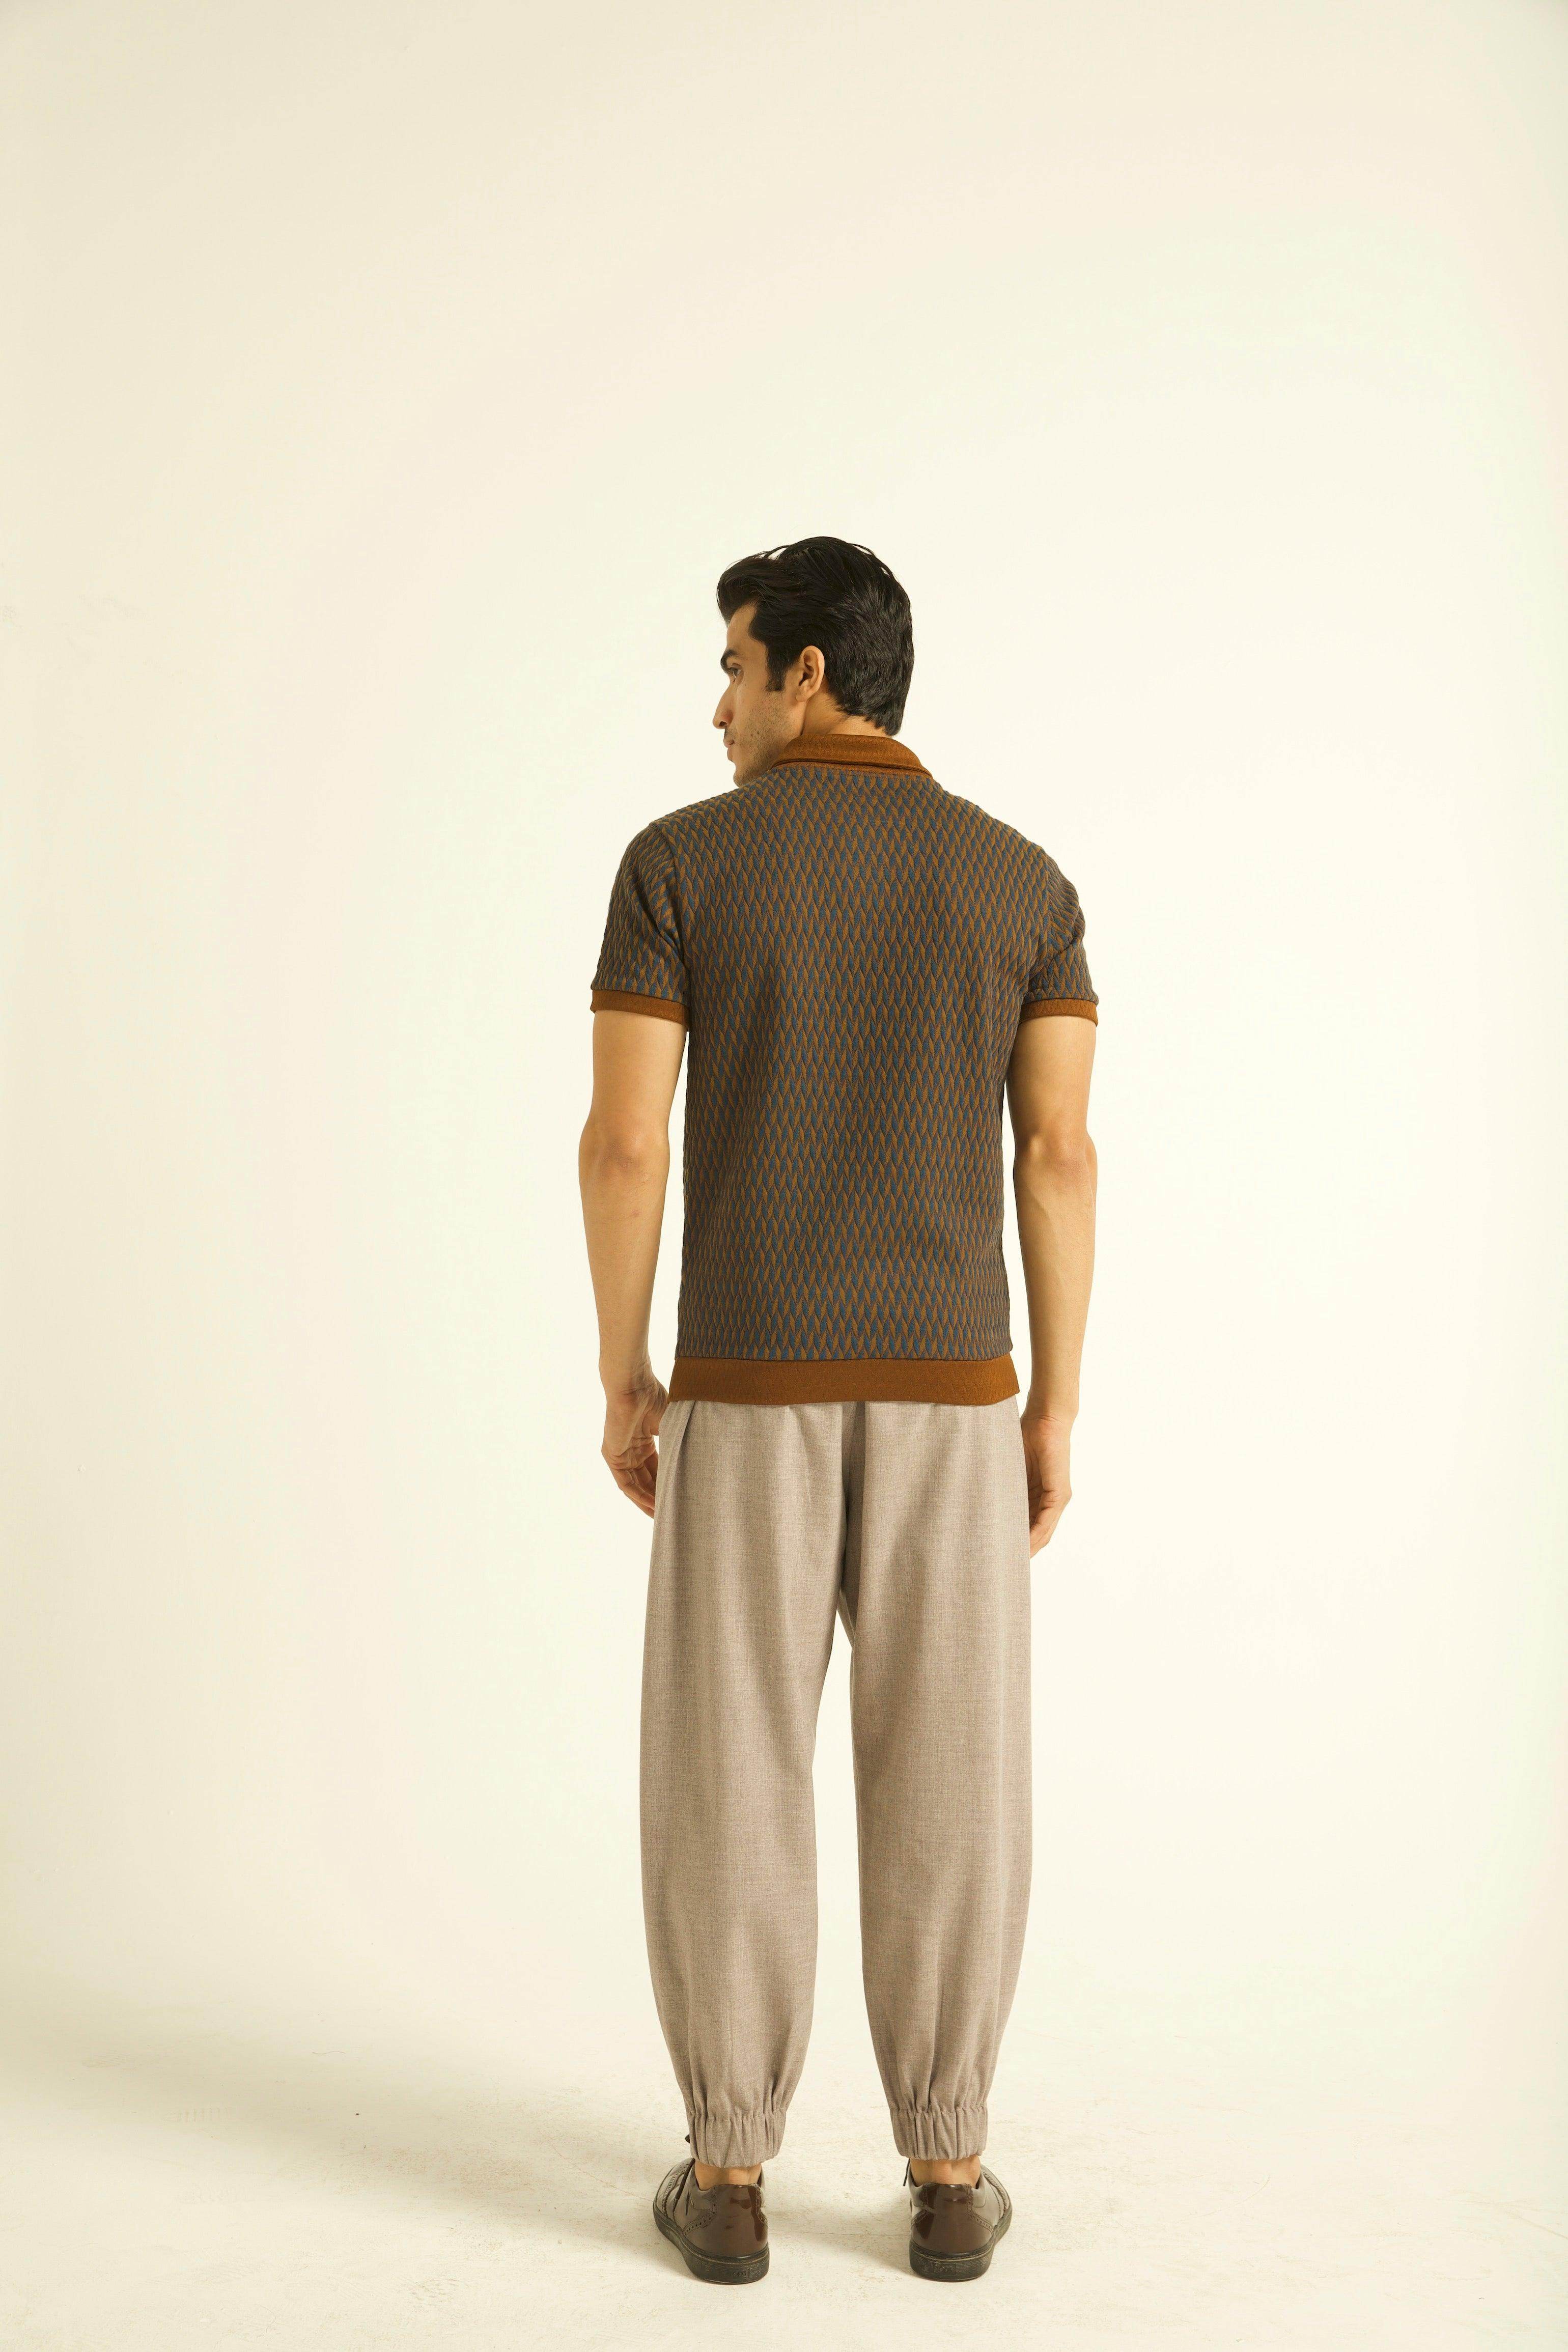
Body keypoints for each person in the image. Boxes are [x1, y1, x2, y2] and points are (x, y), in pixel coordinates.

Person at [578, 536, 1098, 2284]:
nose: (720, 704)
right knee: (953, 1764)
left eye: (735, 665)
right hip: (957, 1390)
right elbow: (1059, 1153)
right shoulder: (1023, 882)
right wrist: (1054, 1405)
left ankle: (730, 2173)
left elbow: (626, 1142)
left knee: (728, 1758)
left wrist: (626, 1370)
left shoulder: (680, 863)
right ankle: (948, 2170)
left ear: (809, 674)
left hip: (749, 1376)